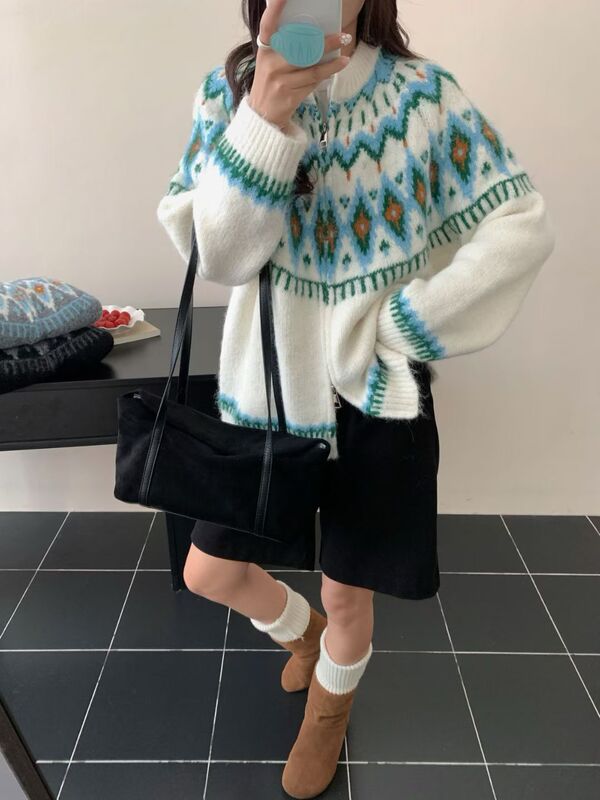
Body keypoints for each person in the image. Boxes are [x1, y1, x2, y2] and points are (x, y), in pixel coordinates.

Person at [156, 1, 556, 797]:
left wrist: (407, 324)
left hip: (377, 398)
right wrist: (265, 115)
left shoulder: (423, 98)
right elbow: (222, 259)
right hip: (266, 390)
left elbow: (521, 225)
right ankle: (302, 639)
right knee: (210, 571)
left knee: (347, 592)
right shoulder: (227, 91)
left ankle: (328, 717)